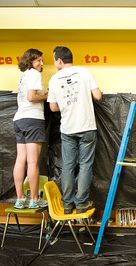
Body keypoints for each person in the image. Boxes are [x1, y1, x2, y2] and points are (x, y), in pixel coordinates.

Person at [48, 46, 102, 214]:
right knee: (85, 165)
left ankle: (66, 205)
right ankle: (81, 204)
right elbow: (98, 96)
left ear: (59, 61)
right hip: (86, 126)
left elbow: (53, 107)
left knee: (68, 166)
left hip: (68, 128)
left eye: (54, 59)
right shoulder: (85, 72)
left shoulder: (54, 79)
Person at [13, 48, 48, 209]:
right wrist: (47, 96)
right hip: (33, 119)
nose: (41, 63)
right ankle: (34, 199)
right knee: (33, 161)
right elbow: (31, 97)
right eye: (38, 60)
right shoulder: (34, 74)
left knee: (21, 160)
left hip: (19, 119)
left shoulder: (24, 75)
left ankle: (20, 199)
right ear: (31, 61)